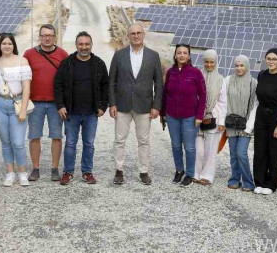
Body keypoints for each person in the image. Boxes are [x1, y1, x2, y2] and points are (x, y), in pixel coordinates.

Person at [109, 23, 164, 185]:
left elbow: (159, 84)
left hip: (145, 105)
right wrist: (112, 103)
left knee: (144, 141)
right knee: (119, 140)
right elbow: (111, 81)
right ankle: (119, 170)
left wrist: (156, 106)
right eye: (132, 33)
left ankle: (144, 171)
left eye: (139, 33)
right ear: (128, 36)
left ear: (143, 34)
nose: (136, 36)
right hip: (122, 105)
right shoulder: (119, 55)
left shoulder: (153, 56)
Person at [53, 31, 109, 186]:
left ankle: (87, 171)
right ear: (76, 45)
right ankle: (68, 172)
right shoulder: (67, 63)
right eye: (81, 44)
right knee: (70, 143)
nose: (84, 47)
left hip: (91, 113)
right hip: (71, 112)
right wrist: (60, 105)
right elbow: (57, 85)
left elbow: (106, 86)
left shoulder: (99, 64)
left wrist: (102, 106)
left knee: (89, 144)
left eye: (87, 44)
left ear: (91, 45)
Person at [23, 24, 69, 182]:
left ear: (55, 37)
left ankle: (55, 168)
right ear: (39, 36)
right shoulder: (29, 54)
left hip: (56, 104)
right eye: (44, 35)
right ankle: (35, 168)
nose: (47, 38)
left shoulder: (63, 54)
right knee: (34, 136)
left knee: (56, 136)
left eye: (50, 35)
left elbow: (67, 80)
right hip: (35, 103)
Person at [0, 33, 33, 187]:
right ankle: (10, 173)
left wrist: (23, 109)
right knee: (6, 142)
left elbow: (27, 87)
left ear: (14, 45)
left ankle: (22, 172)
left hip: (17, 103)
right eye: (4, 43)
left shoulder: (22, 61)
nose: (7, 46)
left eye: (9, 43)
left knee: (18, 142)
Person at [161, 44, 206, 187]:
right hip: (172, 115)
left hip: (189, 116)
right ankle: (179, 170)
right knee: (175, 145)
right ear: (175, 55)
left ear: (189, 56)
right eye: (179, 52)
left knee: (190, 147)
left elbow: (203, 95)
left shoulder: (195, 72)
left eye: (184, 53)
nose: (181, 55)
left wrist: (199, 116)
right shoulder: (170, 72)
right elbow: (164, 93)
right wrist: (162, 113)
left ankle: (189, 174)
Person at [214, 55, 258, 192]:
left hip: (246, 125)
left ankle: (248, 181)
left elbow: (255, 105)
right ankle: (234, 179)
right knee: (233, 153)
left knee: (241, 153)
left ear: (247, 66)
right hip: (231, 123)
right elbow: (222, 101)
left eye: (242, 65)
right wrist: (222, 120)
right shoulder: (227, 80)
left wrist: (250, 126)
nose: (239, 68)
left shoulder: (253, 83)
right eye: (236, 65)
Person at [252, 48, 277, 195]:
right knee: (260, 149)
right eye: (268, 58)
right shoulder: (262, 75)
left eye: (274, 59)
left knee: (274, 151)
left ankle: (271, 184)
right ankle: (259, 181)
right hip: (262, 115)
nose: (271, 61)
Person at [193, 49, 223, 186]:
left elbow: (223, 102)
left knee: (210, 150)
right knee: (198, 149)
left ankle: (207, 175)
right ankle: (195, 173)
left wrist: (219, 120)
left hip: (213, 118)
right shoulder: (197, 76)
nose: (209, 65)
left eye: (212, 62)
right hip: (197, 118)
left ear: (216, 62)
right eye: (206, 62)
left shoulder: (221, 80)